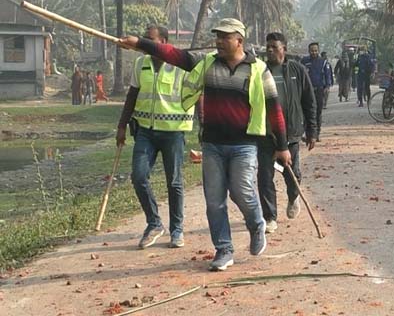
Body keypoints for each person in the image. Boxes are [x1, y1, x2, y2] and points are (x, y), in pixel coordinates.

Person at [119, 18, 291, 272]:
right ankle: (224, 249)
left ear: (239, 41)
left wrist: (283, 145)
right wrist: (141, 44)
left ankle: (256, 224)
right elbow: (174, 55)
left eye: (225, 37)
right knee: (214, 201)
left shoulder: (259, 70)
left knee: (241, 191)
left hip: (243, 145)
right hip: (213, 144)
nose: (219, 42)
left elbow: (274, 110)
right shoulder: (207, 63)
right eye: (217, 37)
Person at [116, 25, 195, 249]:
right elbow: (132, 95)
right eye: (143, 39)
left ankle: (177, 230)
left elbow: (196, 95)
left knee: (174, 182)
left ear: (164, 42)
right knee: (138, 176)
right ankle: (154, 223)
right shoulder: (141, 64)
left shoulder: (180, 65)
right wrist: (122, 125)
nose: (145, 44)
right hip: (145, 131)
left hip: (173, 131)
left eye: (149, 40)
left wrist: (203, 123)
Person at [257, 32, 317, 234]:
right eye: (268, 46)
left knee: (292, 175)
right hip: (266, 134)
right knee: (265, 177)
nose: (270, 50)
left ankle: (293, 197)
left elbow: (309, 101)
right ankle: (270, 217)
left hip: (291, 134)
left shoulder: (297, 70)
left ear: (284, 48)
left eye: (274, 46)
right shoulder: (260, 71)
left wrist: (312, 130)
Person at [301, 42, 332, 141]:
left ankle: (316, 134)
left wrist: (327, 86)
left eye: (315, 50)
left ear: (318, 51)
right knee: (306, 112)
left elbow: (327, 75)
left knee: (317, 112)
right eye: (312, 51)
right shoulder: (304, 61)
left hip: (319, 90)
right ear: (309, 51)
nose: (313, 52)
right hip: (306, 91)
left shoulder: (323, 62)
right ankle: (308, 134)